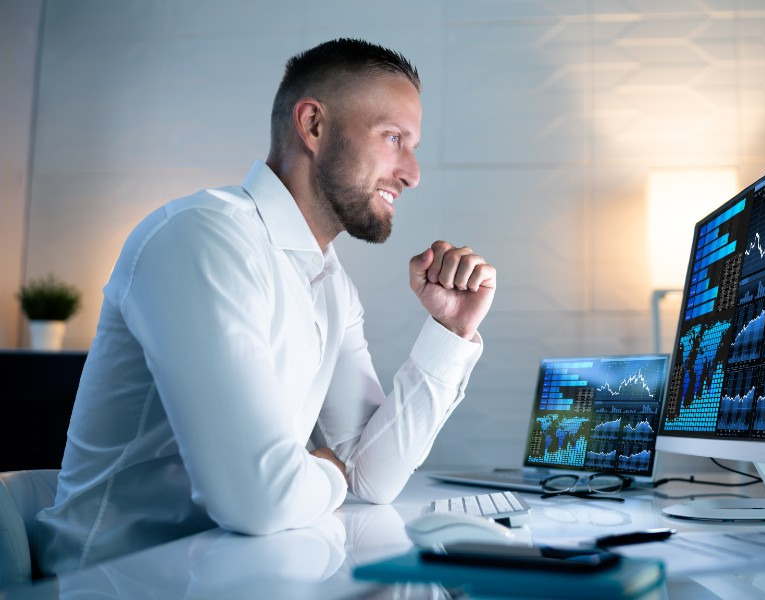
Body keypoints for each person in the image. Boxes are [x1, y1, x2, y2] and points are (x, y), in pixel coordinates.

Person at [34, 38, 496, 576]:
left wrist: (449, 330)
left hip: (223, 574)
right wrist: (326, 471)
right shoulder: (202, 238)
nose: (412, 172)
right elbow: (256, 500)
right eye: (394, 138)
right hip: (109, 584)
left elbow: (372, 478)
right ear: (314, 126)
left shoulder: (329, 283)